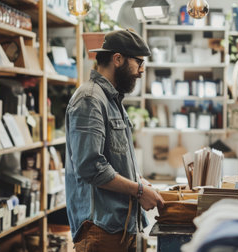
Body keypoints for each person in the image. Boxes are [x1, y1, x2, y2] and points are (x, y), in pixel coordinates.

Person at [65, 29, 165, 252]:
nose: (141, 71)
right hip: (100, 230)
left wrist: (139, 180)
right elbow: (90, 167)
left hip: (119, 227)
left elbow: (114, 158)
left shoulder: (112, 100)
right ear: (117, 59)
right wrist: (138, 190)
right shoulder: (90, 99)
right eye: (138, 62)